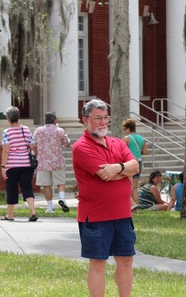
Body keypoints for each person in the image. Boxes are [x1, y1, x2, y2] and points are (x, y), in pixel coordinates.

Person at [72, 98, 140, 297]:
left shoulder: (117, 143)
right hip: (95, 217)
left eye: (106, 118)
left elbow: (135, 166)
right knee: (98, 263)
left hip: (123, 215)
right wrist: (124, 170)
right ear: (86, 120)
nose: (103, 122)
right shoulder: (81, 147)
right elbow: (104, 174)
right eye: (98, 118)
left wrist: (118, 168)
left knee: (126, 260)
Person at [0, 106, 38, 222]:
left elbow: (6, 150)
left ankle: (10, 215)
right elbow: (32, 145)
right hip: (26, 164)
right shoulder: (26, 129)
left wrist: (3, 166)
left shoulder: (7, 132)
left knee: (12, 188)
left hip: (12, 165)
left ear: (8, 118)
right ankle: (32, 211)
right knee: (27, 187)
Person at [32, 111, 71, 213]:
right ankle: (62, 198)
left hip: (43, 162)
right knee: (60, 182)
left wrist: (37, 155)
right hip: (57, 161)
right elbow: (67, 143)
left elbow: (33, 145)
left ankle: (50, 207)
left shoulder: (38, 131)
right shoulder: (59, 130)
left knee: (46, 185)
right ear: (55, 120)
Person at [122, 118, 148, 209]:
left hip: (129, 163)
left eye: (124, 128)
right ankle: (136, 208)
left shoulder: (127, 138)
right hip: (139, 162)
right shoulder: (141, 138)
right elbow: (145, 152)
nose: (124, 131)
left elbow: (121, 151)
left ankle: (129, 206)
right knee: (135, 188)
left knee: (127, 185)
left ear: (128, 128)